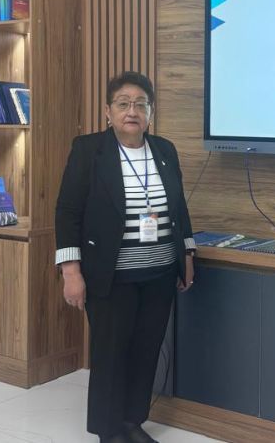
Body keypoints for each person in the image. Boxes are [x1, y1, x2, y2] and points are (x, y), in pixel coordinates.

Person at [55, 71, 197, 443]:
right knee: (111, 353)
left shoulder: (164, 150)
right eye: (123, 103)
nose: (132, 111)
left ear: (150, 112)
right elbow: (67, 212)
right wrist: (71, 271)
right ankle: (108, 430)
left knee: (146, 350)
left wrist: (187, 254)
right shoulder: (89, 150)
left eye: (140, 104)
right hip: (110, 276)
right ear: (108, 111)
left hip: (159, 274)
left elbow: (178, 208)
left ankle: (132, 421)